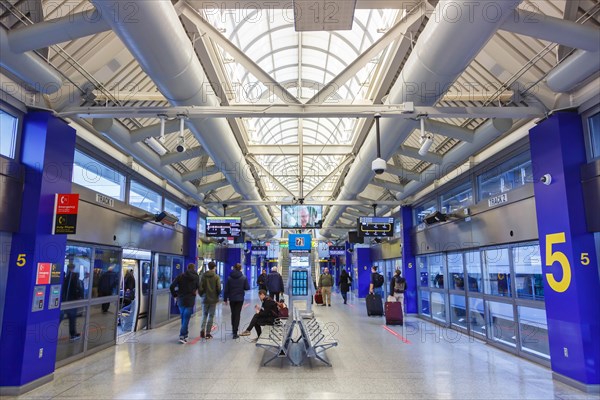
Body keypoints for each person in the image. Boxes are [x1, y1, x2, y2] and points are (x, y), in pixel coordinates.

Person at [169, 263, 200, 344]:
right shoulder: (196, 277)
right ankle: (182, 336)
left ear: (187, 268)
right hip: (190, 300)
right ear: (194, 268)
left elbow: (171, 286)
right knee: (185, 319)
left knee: (183, 317)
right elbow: (199, 287)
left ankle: (185, 334)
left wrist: (175, 295)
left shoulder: (180, 276)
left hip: (181, 299)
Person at [223, 263, 250, 339]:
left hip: (232, 298)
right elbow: (247, 287)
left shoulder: (229, 277)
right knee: (237, 314)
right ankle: (235, 332)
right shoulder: (243, 277)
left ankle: (233, 329)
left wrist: (225, 299)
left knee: (233, 313)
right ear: (240, 268)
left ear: (234, 268)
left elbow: (226, 289)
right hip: (240, 298)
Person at [198, 261, 221, 339]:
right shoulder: (216, 276)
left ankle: (202, 331)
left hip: (205, 298)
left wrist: (202, 295)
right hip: (213, 299)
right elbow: (219, 288)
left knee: (204, 315)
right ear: (214, 267)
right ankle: (208, 333)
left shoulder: (203, 276)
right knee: (211, 316)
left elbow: (200, 287)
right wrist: (217, 295)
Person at [61, 263, 83, 341]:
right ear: (74, 268)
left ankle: (52, 332)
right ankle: (73, 335)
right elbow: (78, 288)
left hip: (64, 300)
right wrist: (80, 296)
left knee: (61, 317)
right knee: (72, 318)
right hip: (72, 301)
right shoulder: (75, 277)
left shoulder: (65, 276)